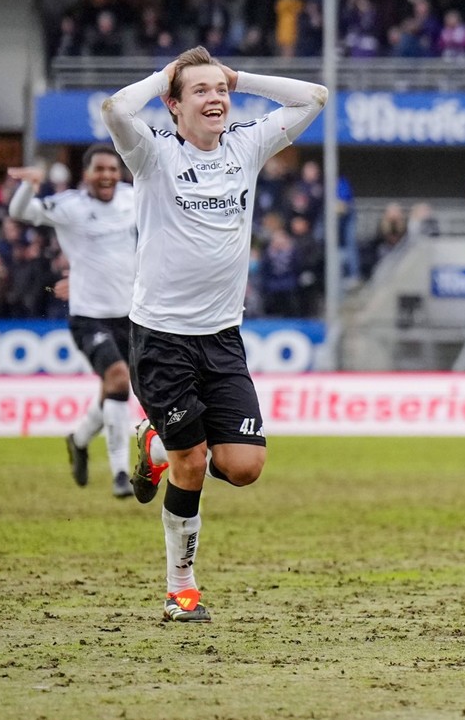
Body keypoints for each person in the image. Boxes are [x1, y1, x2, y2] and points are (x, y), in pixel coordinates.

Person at [102, 46, 327, 622]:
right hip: (161, 339)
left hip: (223, 338)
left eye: (220, 90)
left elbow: (314, 97)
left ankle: (154, 443)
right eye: (200, 91)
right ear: (174, 107)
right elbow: (114, 109)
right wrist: (163, 76)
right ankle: (182, 587)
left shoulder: (246, 146)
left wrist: (239, 75)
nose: (217, 98)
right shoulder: (152, 155)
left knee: (245, 467)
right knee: (194, 463)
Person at [8, 147, 138, 498]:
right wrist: (30, 186)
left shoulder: (135, 198)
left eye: (113, 168)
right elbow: (19, 211)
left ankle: (79, 439)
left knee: (114, 389)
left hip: (132, 315)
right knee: (118, 379)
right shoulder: (71, 206)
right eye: (100, 169)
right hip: (88, 316)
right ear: (87, 174)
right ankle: (121, 473)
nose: (107, 174)